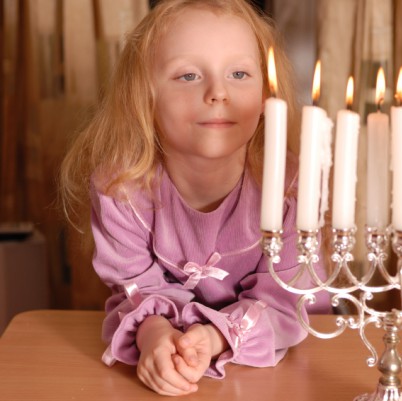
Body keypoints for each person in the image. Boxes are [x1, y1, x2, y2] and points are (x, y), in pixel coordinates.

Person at [59, 0, 330, 396]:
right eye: (187, 75)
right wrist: (153, 333)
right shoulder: (120, 188)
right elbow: (135, 288)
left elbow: (293, 301)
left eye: (239, 73)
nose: (218, 92)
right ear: (144, 96)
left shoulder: (293, 187)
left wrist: (219, 336)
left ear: (266, 93)